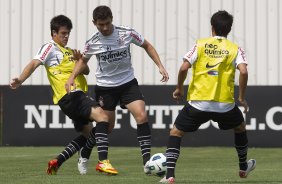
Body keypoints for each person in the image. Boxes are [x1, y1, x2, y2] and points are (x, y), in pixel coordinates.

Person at [65, 5, 169, 174]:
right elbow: (83, 61)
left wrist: (160, 66)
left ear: (111, 19)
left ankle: (147, 163)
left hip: (128, 83)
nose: (105, 28)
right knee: (107, 127)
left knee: (142, 115)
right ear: (94, 23)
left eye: (107, 23)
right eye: (100, 25)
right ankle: (85, 152)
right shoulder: (92, 42)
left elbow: (147, 46)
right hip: (106, 88)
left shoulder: (126, 33)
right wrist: (71, 78)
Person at [9, 15, 117, 175]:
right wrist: (20, 79)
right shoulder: (49, 48)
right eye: (63, 33)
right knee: (103, 118)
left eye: (68, 34)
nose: (66, 36)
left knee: (89, 135)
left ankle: (57, 162)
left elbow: (86, 71)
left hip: (75, 97)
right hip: (71, 95)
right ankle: (103, 162)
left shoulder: (69, 52)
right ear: (53, 33)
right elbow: (34, 63)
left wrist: (80, 60)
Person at [160, 10, 256, 183]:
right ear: (229, 29)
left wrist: (179, 89)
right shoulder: (235, 49)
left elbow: (183, 68)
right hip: (224, 105)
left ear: (212, 27)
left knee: (176, 132)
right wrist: (241, 97)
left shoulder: (200, 44)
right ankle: (243, 168)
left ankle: (169, 176)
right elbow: (243, 71)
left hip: (198, 103)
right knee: (240, 127)